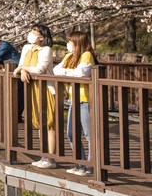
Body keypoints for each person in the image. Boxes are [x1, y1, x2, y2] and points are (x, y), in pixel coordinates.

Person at [13, 23, 57, 169]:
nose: (32, 34)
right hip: (32, 89)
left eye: (35, 32)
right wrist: (23, 70)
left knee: (49, 123)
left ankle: (50, 158)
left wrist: (22, 69)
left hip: (45, 89)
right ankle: (43, 155)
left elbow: (39, 69)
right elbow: (22, 64)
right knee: (39, 123)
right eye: (32, 30)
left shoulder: (46, 50)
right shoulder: (26, 48)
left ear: (42, 37)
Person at [53, 30, 96, 177]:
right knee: (71, 133)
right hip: (73, 100)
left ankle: (90, 166)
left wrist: (65, 72)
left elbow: (81, 73)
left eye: (71, 42)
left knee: (89, 135)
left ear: (77, 43)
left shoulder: (87, 55)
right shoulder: (69, 56)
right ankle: (81, 163)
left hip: (86, 100)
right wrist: (67, 71)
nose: (68, 44)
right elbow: (55, 69)